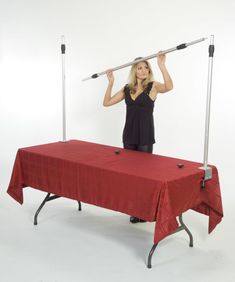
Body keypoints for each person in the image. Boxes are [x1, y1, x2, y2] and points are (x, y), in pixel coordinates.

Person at [103, 53, 173, 223]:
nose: (143, 70)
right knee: (130, 175)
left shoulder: (153, 86)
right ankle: (134, 209)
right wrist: (111, 82)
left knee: (144, 176)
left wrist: (162, 66)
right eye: (139, 68)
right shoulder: (127, 88)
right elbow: (106, 103)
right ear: (134, 70)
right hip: (129, 135)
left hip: (145, 136)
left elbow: (169, 86)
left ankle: (144, 212)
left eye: (145, 67)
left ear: (149, 70)